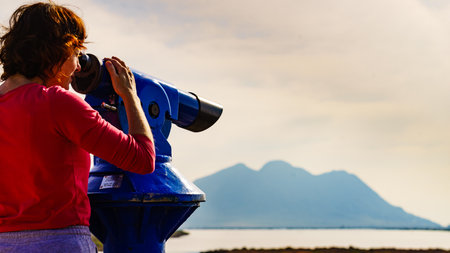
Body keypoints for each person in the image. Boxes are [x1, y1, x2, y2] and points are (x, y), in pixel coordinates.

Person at [0, 2, 155, 252]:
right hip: (58, 242)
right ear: (60, 49)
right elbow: (142, 159)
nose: (79, 67)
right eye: (76, 53)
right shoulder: (57, 103)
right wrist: (130, 96)